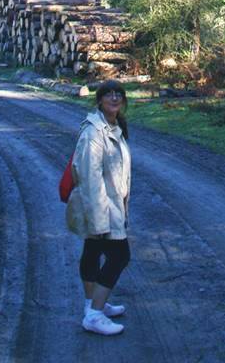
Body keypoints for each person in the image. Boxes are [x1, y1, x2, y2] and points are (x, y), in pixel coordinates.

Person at [66, 79, 132, 336]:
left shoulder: (115, 126)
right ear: (99, 99)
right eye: (108, 94)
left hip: (112, 203)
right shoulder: (94, 132)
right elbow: (90, 177)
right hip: (102, 206)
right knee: (120, 256)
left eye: (118, 94)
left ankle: (93, 304)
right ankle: (94, 314)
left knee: (92, 251)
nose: (114, 98)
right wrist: (99, 218)